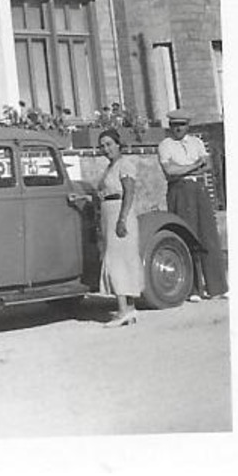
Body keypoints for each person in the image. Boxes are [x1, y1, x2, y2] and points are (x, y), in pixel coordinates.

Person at [158, 109, 227, 300]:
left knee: (208, 235)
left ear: (187, 126)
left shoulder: (196, 142)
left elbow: (209, 165)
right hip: (179, 190)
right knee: (188, 236)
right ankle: (194, 289)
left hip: (199, 189)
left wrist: (185, 168)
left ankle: (217, 287)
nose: (178, 129)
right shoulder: (165, 145)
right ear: (170, 126)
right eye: (174, 125)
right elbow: (170, 171)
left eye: (181, 125)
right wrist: (194, 165)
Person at [96, 128, 144, 327]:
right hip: (110, 213)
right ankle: (129, 309)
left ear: (118, 144)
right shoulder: (110, 167)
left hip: (119, 214)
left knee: (117, 261)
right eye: (102, 146)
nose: (106, 149)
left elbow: (129, 193)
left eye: (109, 144)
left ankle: (123, 309)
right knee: (121, 260)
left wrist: (122, 219)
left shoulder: (125, 164)